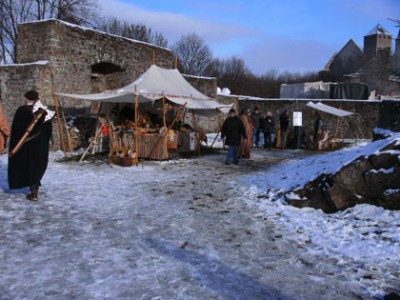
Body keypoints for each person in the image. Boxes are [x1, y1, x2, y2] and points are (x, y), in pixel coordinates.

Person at [8, 90, 53, 201]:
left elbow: (16, 130)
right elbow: (47, 131)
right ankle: (34, 192)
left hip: (25, 145)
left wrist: (14, 145)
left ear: (27, 98)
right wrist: (42, 141)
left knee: (27, 166)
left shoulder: (22, 111)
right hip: (39, 146)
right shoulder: (45, 112)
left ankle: (32, 192)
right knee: (36, 167)